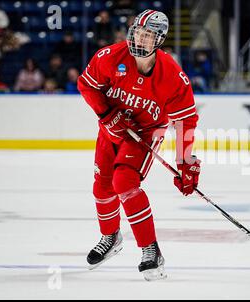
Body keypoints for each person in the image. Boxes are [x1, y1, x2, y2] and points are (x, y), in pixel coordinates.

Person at [78, 9, 201, 281]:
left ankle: (150, 250)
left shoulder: (171, 75)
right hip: (111, 131)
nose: (140, 39)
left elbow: (186, 120)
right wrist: (107, 115)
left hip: (146, 132)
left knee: (124, 182)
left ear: (159, 40)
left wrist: (186, 162)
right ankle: (110, 237)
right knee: (102, 186)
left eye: (148, 35)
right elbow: (87, 85)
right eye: (138, 32)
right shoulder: (110, 57)